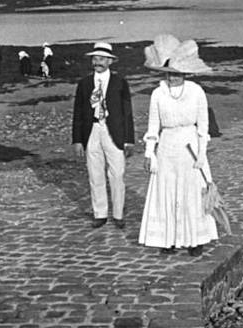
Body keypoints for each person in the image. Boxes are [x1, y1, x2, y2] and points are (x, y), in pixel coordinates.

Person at [139, 35, 219, 257]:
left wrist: (202, 153)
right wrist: (150, 154)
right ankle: (168, 239)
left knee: (192, 192)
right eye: (169, 73)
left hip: (190, 146)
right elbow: (153, 127)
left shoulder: (196, 92)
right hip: (167, 146)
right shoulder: (158, 93)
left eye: (176, 73)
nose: (172, 77)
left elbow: (203, 126)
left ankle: (195, 239)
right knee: (167, 191)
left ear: (185, 73)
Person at [72, 41, 134, 229]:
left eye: (102, 59)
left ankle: (118, 214)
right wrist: (77, 140)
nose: (97, 62)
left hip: (114, 132)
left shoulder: (120, 83)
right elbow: (78, 113)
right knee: (95, 173)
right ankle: (100, 213)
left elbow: (127, 112)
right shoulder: (84, 84)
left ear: (110, 61)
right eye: (95, 58)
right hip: (92, 131)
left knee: (117, 174)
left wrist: (129, 140)